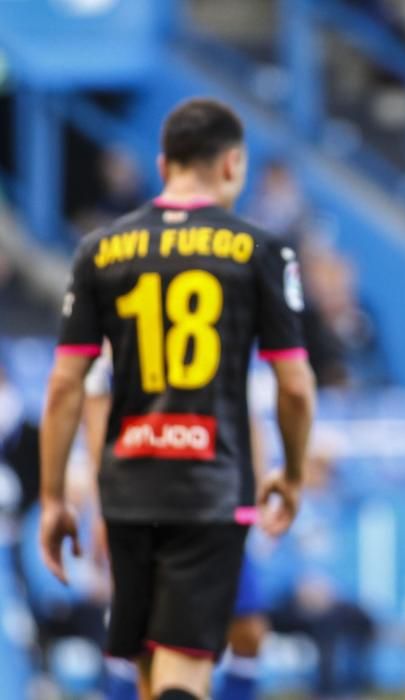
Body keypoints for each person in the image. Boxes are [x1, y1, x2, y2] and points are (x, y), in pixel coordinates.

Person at [39, 98, 316, 700]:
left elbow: (66, 385)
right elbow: (293, 386)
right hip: (211, 487)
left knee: (147, 666)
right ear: (233, 165)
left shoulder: (99, 251)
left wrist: (56, 496)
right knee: (186, 671)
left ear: (163, 165)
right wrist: (291, 474)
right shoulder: (260, 251)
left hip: (128, 487)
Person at [81, 347, 271, 700]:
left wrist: (255, 490)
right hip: (144, 496)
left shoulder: (220, 316)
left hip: (214, 498)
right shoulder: (121, 315)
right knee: (148, 639)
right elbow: (93, 404)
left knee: (246, 628)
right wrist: (102, 502)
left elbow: (249, 416)